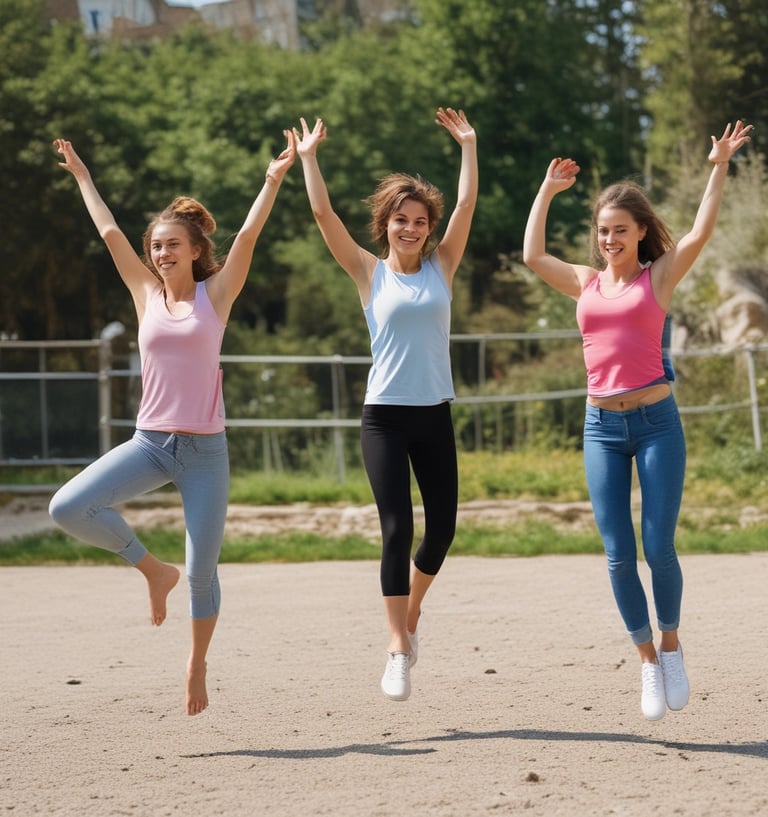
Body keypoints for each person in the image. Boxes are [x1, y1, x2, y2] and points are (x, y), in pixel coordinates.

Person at [48, 131, 296, 716]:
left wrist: (273, 179)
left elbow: (251, 236)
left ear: (192, 250)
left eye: (171, 246)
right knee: (67, 507)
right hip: (151, 444)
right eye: (155, 247)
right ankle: (151, 569)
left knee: (203, 572)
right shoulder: (144, 294)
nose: (161, 254)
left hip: (206, 454)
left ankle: (196, 663)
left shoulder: (218, 294)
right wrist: (84, 176)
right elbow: (109, 232)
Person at [522, 121, 752, 720]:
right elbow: (531, 254)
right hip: (600, 427)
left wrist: (719, 164)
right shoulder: (584, 282)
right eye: (602, 232)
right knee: (618, 554)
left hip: (655, 424)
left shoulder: (661, 277)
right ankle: (647, 662)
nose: (609, 240)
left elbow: (701, 230)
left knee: (659, 546)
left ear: (641, 231)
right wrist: (546, 192)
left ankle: (672, 645)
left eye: (619, 231)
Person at [293, 108, 478, 701]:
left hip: (434, 413)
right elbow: (323, 214)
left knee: (442, 531)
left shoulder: (442, 267)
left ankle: (411, 616)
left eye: (421, 221)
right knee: (396, 527)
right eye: (402, 219)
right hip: (384, 417)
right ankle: (396, 645)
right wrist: (309, 159)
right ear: (387, 223)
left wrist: (468, 147)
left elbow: (468, 205)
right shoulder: (368, 273)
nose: (411, 228)